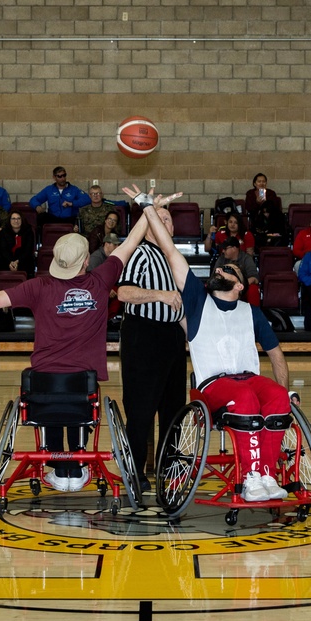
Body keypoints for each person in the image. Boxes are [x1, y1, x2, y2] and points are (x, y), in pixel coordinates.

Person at [0, 191, 169, 492]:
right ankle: (78, 464)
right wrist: (149, 208)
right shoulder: (100, 280)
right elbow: (132, 241)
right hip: (83, 383)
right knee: (80, 403)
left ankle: (56, 466)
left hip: (43, 384)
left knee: (50, 403)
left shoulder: (39, 286)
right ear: (86, 261)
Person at [130, 183, 297, 503]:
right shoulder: (197, 301)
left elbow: (276, 355)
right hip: (213, 386)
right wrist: (147, 207)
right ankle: (249, 477)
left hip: (248, 381)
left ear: (239, 285)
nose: (222, 269)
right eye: (220, 268)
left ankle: (265, 472)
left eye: (230, 270)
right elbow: (170, 251)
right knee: (246, 396)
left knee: (276, 396)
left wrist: (285, 388)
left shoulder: (251, 312)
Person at [118, 206, 187, 488]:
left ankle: (167, 469)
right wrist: (160, 295)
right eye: (158, 218)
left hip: (173, 336)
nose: (164, 222)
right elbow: (124, 292)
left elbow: (180, 307)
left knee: (174, 409)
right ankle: (134, 472)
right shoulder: (141, 253)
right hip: (144, 335)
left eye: (168, 218)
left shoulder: (175, 260)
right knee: (141, 409)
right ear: (147, 228)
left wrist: (195, 341)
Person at [217, 236, 260, 305]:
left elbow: (254, 278)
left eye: (225, 249)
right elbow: (215, 276)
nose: (223, 251)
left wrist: (240, 285)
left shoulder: (246, 258)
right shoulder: (221, 259)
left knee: (253, 289)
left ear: (234, 248)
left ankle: (254, 312)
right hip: (225, 286)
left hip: (242, 288)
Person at [0, 209, 36, 277]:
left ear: (22, 220)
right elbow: (3, 250)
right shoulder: (3, 232)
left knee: (29, 262)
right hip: (7, 260)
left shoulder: (29, 231)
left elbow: (28, 250)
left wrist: (17, 261)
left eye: (18, 218)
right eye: (13, 219)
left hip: (23, 260)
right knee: (0, 262)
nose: (16, 221)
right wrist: (11, 262)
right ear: (9, 220)